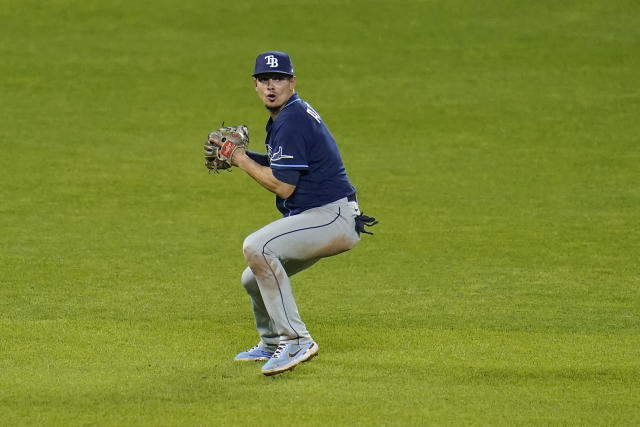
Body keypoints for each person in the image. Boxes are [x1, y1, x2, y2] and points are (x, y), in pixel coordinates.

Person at [209, 51, 376, 376]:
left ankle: (297, 339)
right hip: (325, 216)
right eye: (265, 80)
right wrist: (240, 156)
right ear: (256, 85)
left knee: (257, 247)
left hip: (332, 217)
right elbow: (288, 166)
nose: (272, 86)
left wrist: (240, 158)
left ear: (292, 82)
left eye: (280, 79)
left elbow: (283, 186)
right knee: (253, 278)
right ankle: (272, 343)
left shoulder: (292, 119)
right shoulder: (288, 116)